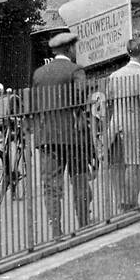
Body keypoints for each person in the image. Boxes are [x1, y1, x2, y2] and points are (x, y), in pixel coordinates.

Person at [31, 32, 93, 236]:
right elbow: (80, 98)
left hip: (48, 137)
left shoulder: (39, 74)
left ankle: (56, 230)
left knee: (51, 187)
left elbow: (36, 106)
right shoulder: (76, 70)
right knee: (80, 182)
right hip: (74, 137)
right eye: (75, 47)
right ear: (70, 49)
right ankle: (84, 225)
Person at [105, 35, 140, 211]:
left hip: (115, 124)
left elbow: (109, 101)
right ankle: (130, 202)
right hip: (134, 123)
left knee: (117, 165)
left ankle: (120, 200)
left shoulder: (114, 76)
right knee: (134, 164)